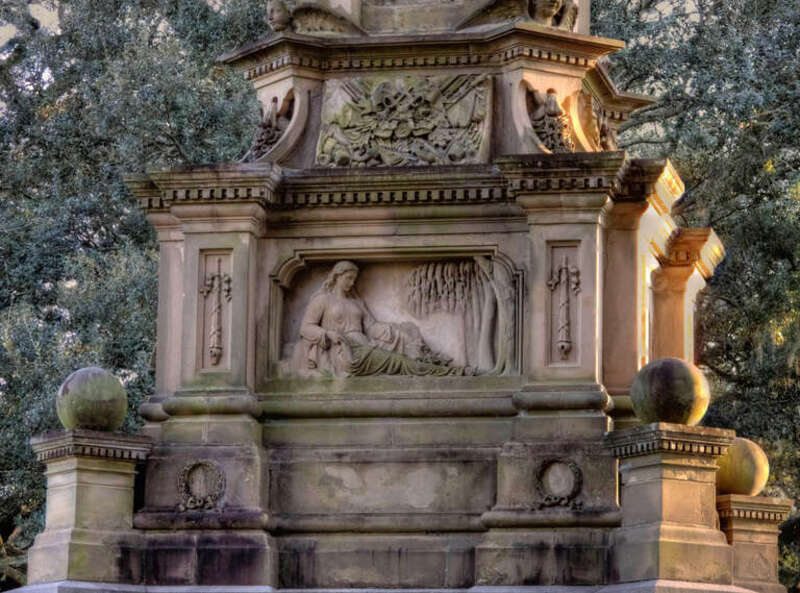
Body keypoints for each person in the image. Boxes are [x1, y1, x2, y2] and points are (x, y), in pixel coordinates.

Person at [295, 261, 472, 377]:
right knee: (399, 362)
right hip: (345, 352)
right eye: (348, 278)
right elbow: (306, 328)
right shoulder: (323, 300)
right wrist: (328, 334)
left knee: (407, 334)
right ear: (337, 276)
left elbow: (371, 327)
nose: (352, 283)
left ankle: (444, 369)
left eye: (354, 279)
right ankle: (450, 373)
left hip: (364, 345)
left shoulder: (357, 302)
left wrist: (397, 333)